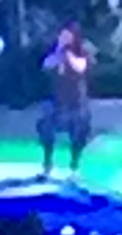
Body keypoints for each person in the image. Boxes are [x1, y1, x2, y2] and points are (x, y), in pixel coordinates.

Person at [37, 22, 94, 179]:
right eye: (62, 35)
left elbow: (80, 67)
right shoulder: (54, 50)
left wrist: (68, 54)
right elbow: (46, 64)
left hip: (77, 101)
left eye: (67, 36)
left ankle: (74, 166)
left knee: (78, 134)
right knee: (46, 128)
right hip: (57, 101)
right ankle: (47, 164)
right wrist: (59, 53)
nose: (64, 38)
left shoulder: (83, 50)